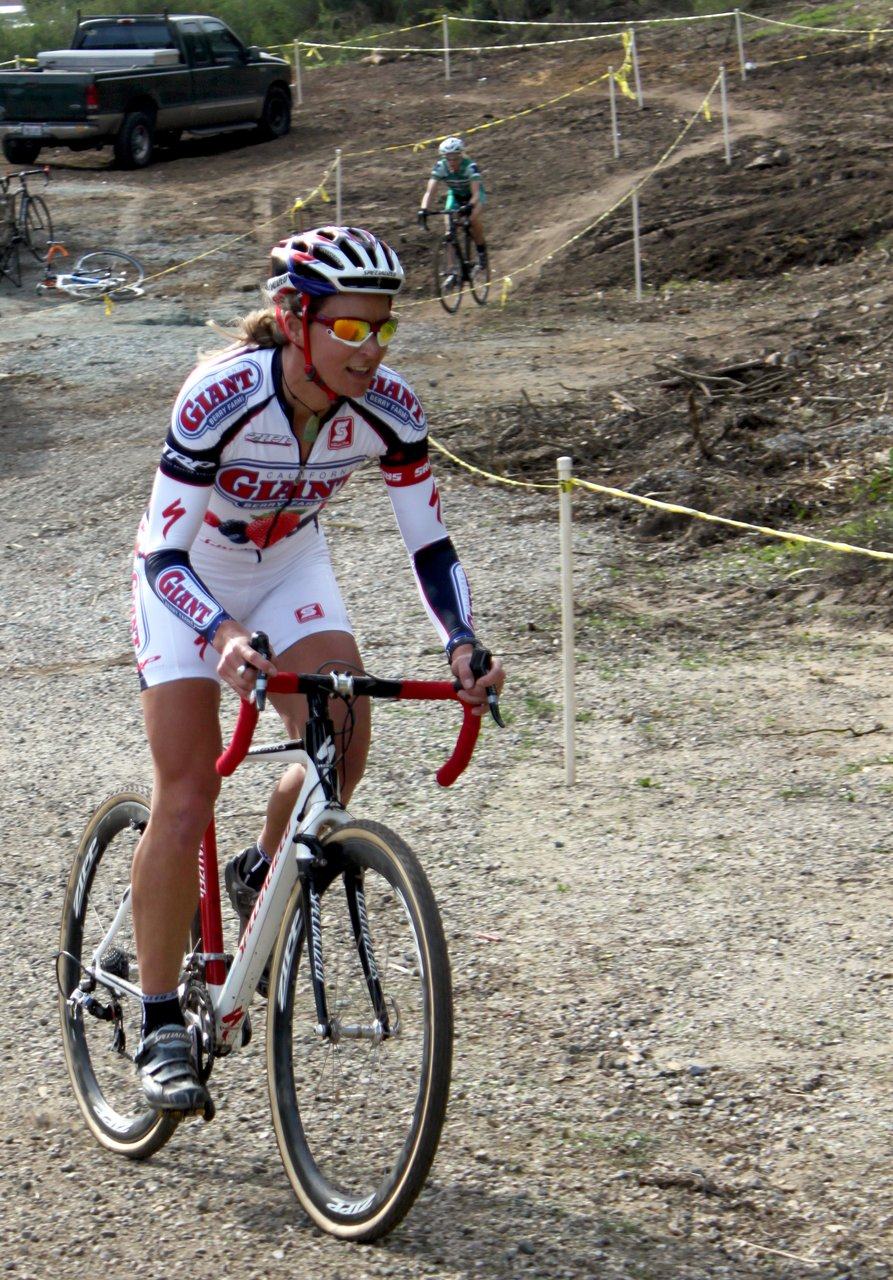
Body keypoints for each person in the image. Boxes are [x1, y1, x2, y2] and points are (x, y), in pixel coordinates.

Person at [129, 225, 505, 1111]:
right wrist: (218, 635)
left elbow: (430, 543)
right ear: (294, 318)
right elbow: (161, 554)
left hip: (288, 568)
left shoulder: (390, 407)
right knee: (186, 793)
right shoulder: (222, 394)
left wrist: (461, 641)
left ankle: (263, 872)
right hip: (189, 580)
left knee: (341, 735)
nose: (369, 350)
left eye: (382, 330)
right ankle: (157, 1024)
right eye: (349, 330)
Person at [418, 136, 488, 267]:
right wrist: (423, 209)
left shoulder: (470, 167)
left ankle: (481, 250)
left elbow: (476, 193)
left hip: (474, 196)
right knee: (449, 231)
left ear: (461, 155)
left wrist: (470, 206)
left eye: (455, 157)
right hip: (455, 195)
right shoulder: (440, 166)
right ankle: (452, 271)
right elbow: (430, 191)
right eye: (448, 158)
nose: (452, 161)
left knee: (472, 220)